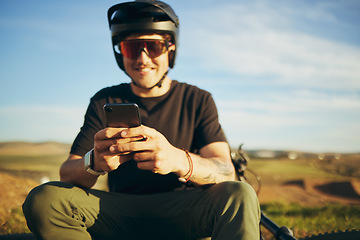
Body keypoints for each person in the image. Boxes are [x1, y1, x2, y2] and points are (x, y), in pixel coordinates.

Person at [22, 1, 260, 239]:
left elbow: (225, 170)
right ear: (120, 53)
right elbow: (67, 173)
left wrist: (178, 159)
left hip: (184, 210)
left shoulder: (198, 99)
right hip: (118, 211)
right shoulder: (103, 100)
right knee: (45, 200)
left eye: (154, 47)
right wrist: (94, 162)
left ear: (171, 49)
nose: (143, 58)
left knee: (240, 194)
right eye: (131, 48)